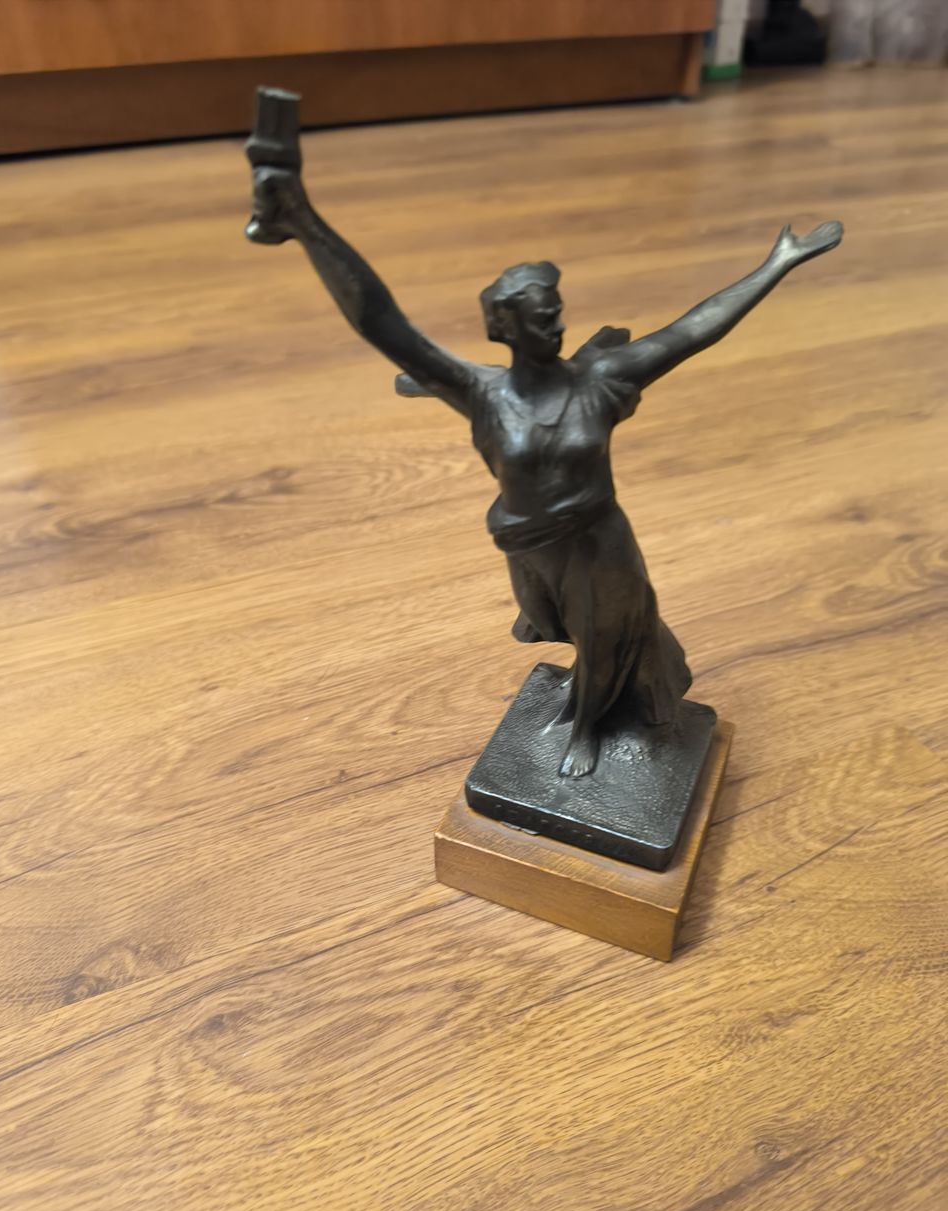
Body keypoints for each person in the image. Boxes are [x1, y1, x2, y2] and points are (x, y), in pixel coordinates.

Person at [248, 163, 842, 778]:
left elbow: (694, 330)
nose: (556, 325)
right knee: (563, 626)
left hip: (600, 541)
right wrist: (306, 225)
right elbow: (380, 321)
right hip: (529, 543)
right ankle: (586, 702)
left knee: (605, 631)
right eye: (541, 318)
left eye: (557, 312)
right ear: (503, 327)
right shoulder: (482, 393)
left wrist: (777, 264)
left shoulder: (602, 379)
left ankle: (586, 728)